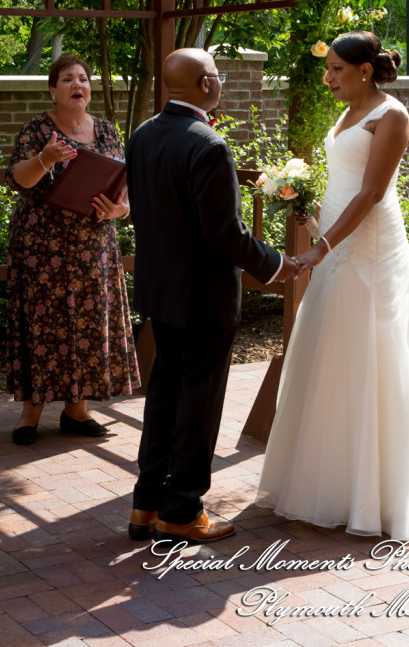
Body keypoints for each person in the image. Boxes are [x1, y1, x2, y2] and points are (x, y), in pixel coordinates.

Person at [256, 31, 409, 542]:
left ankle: (387, 493)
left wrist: (323, 248)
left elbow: (374, 192)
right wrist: (310, 211)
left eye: (337, 69)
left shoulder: (392, 115)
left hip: (372, 249)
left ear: (365, 69)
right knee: (332, 352)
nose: (329, 78)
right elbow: (340, 182)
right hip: (337, 241)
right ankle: (334, 481)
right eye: (329, 69)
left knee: (379, 352)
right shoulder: (343, 116)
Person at [126, 48, 299, 543]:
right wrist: (274, 264)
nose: (220, 83)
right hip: (203, 294)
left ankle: (146, 504)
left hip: (160, 288)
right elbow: (224, 233)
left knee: (163, 394)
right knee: (199, 400)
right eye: (217, 77)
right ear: (204, 84)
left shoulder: (142, 136)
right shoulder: (208, 144)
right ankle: (182, 510)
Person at [5, 53, 139, 445]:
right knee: (43, 324)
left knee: (87, 323)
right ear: (53, 89)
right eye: (67, 79)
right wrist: (44, 159)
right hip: (42, 248)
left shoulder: (108, 131)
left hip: (94, 248)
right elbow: (19, 179)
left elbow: (125, 188)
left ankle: (77, 411)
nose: (77, 84)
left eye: (82, 78)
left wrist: (121, 210)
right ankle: (30, 413)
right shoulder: (37, 130)